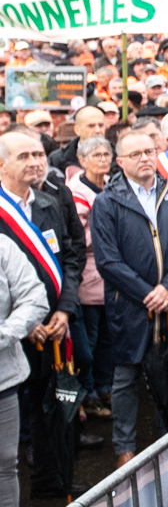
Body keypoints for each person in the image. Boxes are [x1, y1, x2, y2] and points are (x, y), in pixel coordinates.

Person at [90, 128, 168, 467]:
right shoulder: (107, 201)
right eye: (136, 154)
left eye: (149, 152)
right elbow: (108, 261)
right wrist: (147, 293)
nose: (145, 158)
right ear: (120, 161)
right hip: (131, 306)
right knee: (126, 376)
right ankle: (125, 446)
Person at [0, 130, 86, 497]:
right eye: (25, 156)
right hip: (15, 330)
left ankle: (54, 479)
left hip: (56, 325)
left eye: (39, 154)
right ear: (2, 163)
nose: (36, 161)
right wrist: (26, 322)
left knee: (56, 403)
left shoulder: (51, 201)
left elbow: (70, 255)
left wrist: (65, 309)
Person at [1, 229, 50, 507]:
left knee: (5, 465)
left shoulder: (3, 247)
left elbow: (35, 297)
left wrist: (6, 333)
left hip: (3, 381)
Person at [67, 137, 115, 418]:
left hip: (112, 276)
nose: (102, 159)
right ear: (82, 160)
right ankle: (90, 393)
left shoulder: (112, 184)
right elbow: (79, 237)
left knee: (109, 338)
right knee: (91, 339)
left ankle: (105, 386)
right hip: (88, 276)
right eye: (95, 155)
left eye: (106, 153)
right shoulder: (75, 192)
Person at [48, 105, 106, 176]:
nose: (98, 130)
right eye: (91, 126)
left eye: (101, 125)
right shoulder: (57, 159)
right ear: (77, 130)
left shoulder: (117, 155)